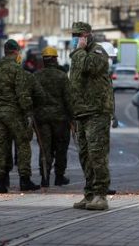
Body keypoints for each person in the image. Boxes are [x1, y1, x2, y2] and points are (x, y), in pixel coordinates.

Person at [70, 22, 113, 211]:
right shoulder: (77, 55)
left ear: (88, 35)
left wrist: (79, 51)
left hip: (97, 112)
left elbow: (91, 68)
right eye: (74, 35)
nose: (76, 38)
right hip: (81, 112)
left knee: (97, 154)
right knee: (85, 155)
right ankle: (89, 195)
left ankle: (101, 195)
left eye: (79, 35)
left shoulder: (98, 52)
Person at [0, 39, 41, 193]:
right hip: (15, 114)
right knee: (23, 144)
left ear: (5, 51)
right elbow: (22, 95)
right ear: (17, 52)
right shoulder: (18, 70)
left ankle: (0, 182)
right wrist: (28, 113)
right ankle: (24, 180)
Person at [33, 46, 72, 187]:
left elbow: (32, 97)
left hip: (42, 119)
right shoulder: (62, 77)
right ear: (55, 59)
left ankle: (45, 177)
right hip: (60, 120)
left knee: (45, 149)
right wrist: (73, 118)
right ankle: (59, 177)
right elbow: (69, 99)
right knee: (61, 148)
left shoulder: (36, 76)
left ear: (43, 60)